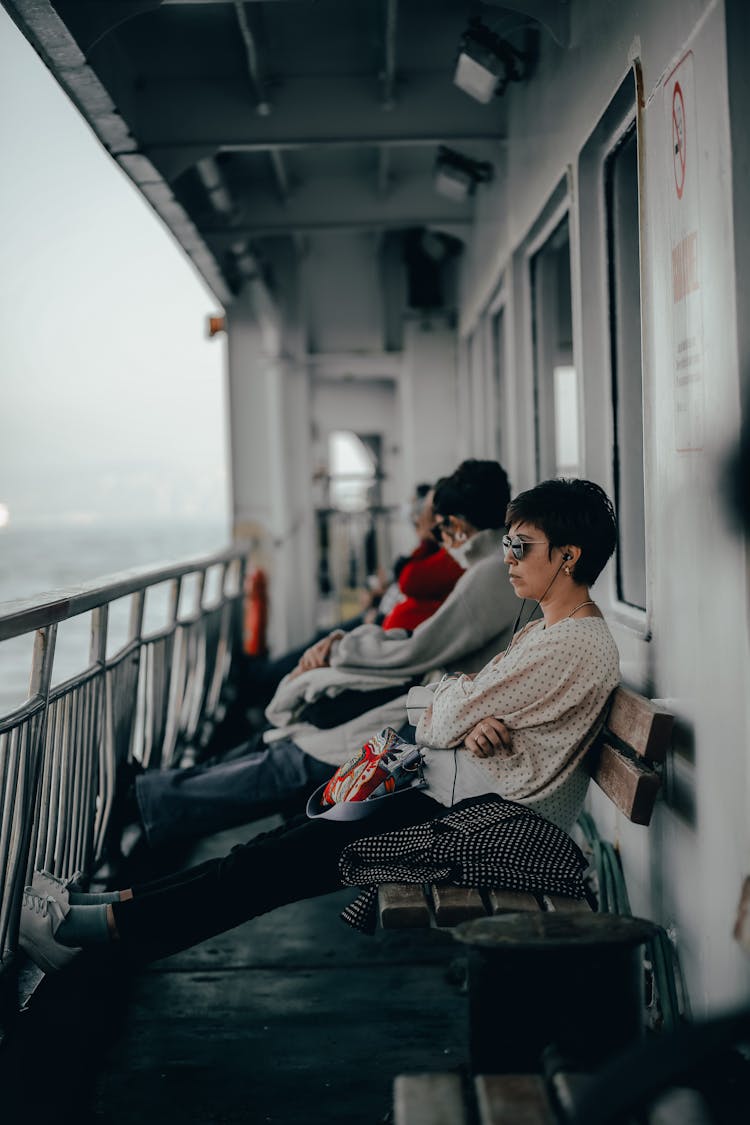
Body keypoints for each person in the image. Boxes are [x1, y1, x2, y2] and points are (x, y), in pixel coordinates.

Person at [19, 477, 621, 972]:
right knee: (266, 854)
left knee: (265, 869)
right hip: (461, 800)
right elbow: (447, 702)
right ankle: (101, 910)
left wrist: (458, 710)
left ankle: (85, 933)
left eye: (522, 547)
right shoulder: (547, 631)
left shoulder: (570, 645)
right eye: (508, 545)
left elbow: (441, 715)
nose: (508, 560)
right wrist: (461, 709)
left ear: (567, 556)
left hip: (486, 827)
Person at [121, 461, 518, 850]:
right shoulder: (493, 571)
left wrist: (345, 648)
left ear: (460, 524)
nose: (443, 538)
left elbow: (420, 649)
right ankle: (153, 794)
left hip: (434, 719)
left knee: (291, 759)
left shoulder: (489, 574)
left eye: (444, 527)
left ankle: (150, 800)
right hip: (435, 709)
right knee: (284, 748)